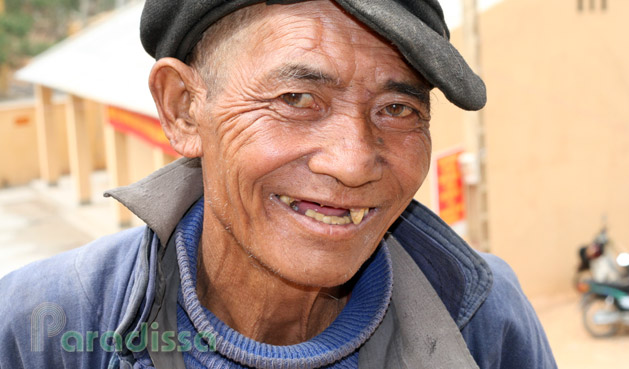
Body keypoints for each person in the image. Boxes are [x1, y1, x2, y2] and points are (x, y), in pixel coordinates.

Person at [0, 1, 557, 368]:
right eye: (296, 99)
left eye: (397, 108)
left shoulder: (482, 319)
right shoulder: (45, 327)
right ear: (184, 109)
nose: (354, 161)